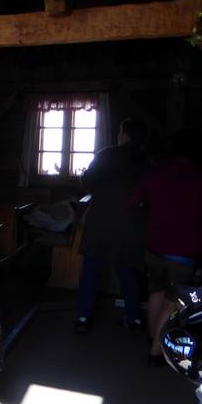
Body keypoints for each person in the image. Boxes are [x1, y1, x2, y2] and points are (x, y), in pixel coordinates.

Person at [126, 130, 202, 365]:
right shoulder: (198, 177)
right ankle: (156, 352)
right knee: (173, 301)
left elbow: (131, 202)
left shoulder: (154, 174)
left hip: (154, 245)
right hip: (185, 249)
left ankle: (152, 336)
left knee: (156, 292)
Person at [75, 117, 150, 334]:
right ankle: (134, 318)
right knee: (128, 271)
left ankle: (83, 318)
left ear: (124, 135)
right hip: (131, 224)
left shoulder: (106, 155)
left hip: (101, 220)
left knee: (91, 271)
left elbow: (88, 182)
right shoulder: (145, 161)